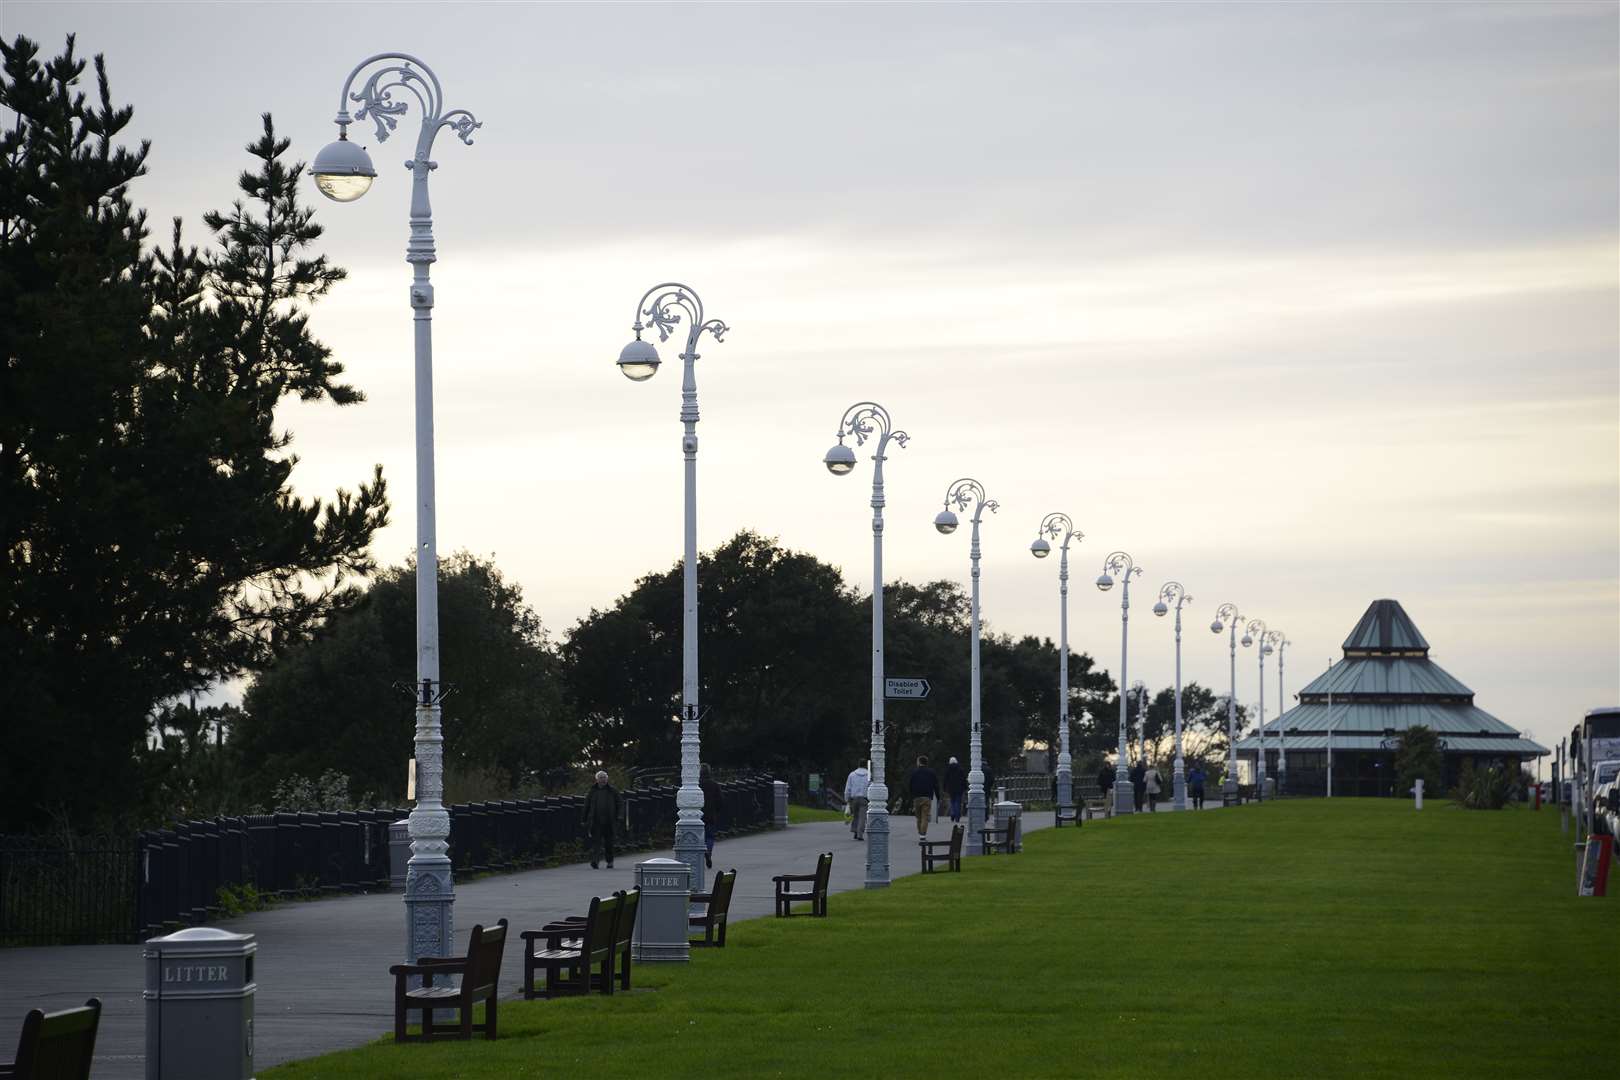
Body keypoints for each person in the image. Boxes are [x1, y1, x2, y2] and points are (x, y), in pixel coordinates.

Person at [582, 770, 623, 869]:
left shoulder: (612, 790)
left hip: (609, 821)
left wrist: (619, 816)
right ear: (597, 780)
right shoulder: (592, 791)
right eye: (600, 778)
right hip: (596, 821)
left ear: (607, 779)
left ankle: (609, 861)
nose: (603, 779)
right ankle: (595, 861)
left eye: (604, 777)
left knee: (609, 842)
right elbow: (586, 805)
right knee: (596, 842)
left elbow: (620, 803)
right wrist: (584, 819)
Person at [908, 755, 940, 837]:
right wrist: (937, 796)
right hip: (927, 796)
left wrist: (911, 796)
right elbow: (936, 785)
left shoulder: (914, 772)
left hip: (917, 797)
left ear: (919, 762)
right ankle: (923, 834)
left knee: (919, 817)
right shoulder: (931, 772)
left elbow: (910, 785)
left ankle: (920, 832)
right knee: (925, 816)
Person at [700, 765, 725, 868]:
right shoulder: (714, 785)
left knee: (700, 836)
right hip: (710, 814)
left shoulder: (698, 785)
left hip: (699, 814)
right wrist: (717, 811)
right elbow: (720, 800)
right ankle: (708, 851)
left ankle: (702, 851)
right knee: (710, 836)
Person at [843, 761, 871, 841]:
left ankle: (855, 830)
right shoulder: (868, 775)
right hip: (864, 798)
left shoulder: (852, 774)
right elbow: (870, 786)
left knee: (855, 815)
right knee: (862, 817)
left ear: (858, 764)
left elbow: (848, 788)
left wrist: (847, 799)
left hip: (854, 798)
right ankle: (860, 833)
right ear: (865, 765)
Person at [943, 756, 967, 822]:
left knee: (952, 801)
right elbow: (963, 779)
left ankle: (952, 813)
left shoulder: (948, 769)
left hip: (950, 788)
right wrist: (965, 787)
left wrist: (944, 788)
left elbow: (945, 779)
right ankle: (957, 816)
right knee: (958, 802)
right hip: (959, 788)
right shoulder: (960, 769)